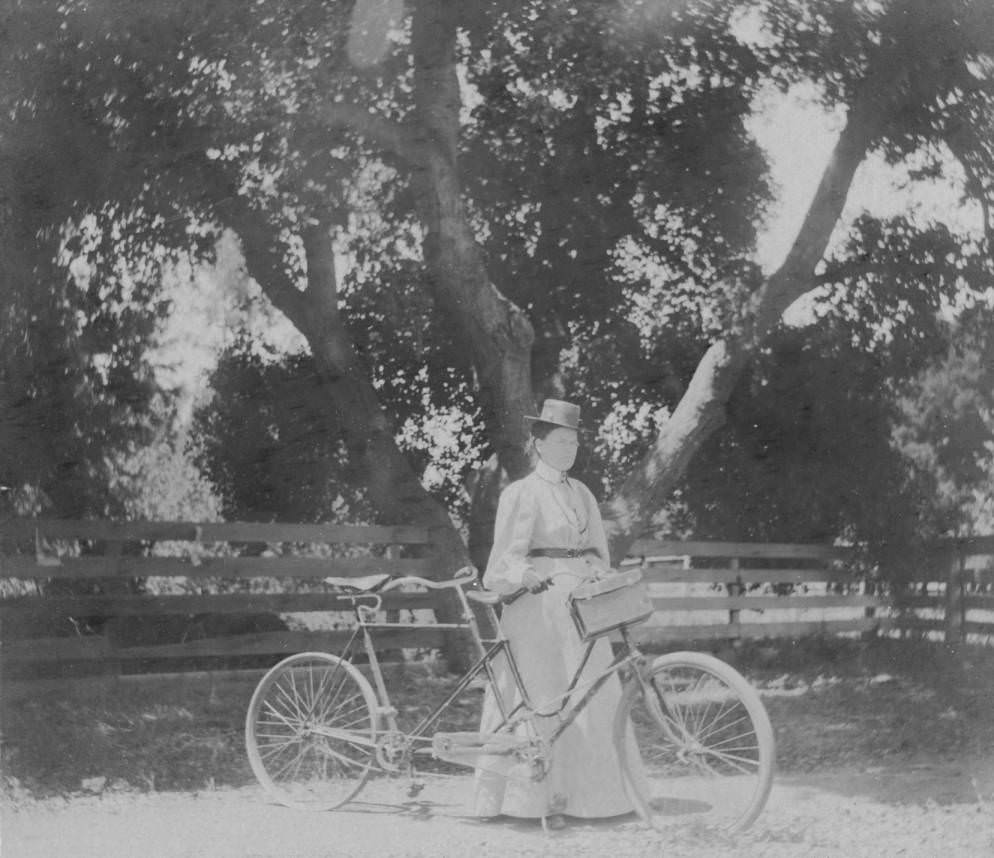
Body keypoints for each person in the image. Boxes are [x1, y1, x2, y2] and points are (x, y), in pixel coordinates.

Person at [472, 398, 641, 828]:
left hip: (583, 600)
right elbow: (506, 558)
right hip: (538, 604)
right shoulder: (521, 493)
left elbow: (598, 550)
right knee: (541, 692)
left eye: (574, 442)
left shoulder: (581, 492)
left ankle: (596, 800)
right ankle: (530, 800)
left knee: (591, 689)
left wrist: (603, 577)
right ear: (538, 444)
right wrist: (523, 573)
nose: (569, 449)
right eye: (561, 441)